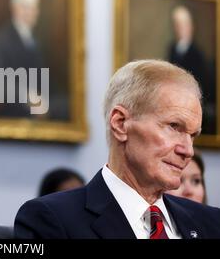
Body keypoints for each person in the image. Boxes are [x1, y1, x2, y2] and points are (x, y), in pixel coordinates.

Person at [15, 59, 220, 239]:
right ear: (120, 124)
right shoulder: (52, 220)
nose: (188, 150)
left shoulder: (212, 223)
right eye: (174, 127)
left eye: (193, 135)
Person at [0, 0, 46, 118]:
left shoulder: (36, 40)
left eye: (33, 7)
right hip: (10, 117)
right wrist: (26, 97)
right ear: (14, 8)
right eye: (25, 7)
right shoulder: (2, 38)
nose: (30, 12)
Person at [167, 5, 216, 133]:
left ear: (190, 27)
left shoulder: (197, 54)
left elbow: (202, 86)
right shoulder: (172, 49)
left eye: (183, 24)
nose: (180, 28)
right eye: (177, 25)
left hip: (189, 104)